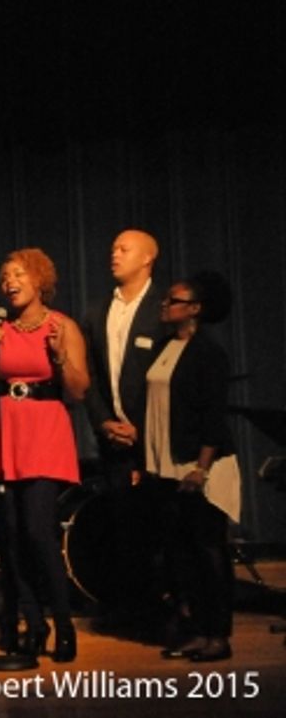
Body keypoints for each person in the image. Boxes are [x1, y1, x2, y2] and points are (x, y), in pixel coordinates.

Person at [0, 249, 89, 663]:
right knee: (10, 537)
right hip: (5, 430)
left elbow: (78, 391)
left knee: (38, 532)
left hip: (43, 431)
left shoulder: (62, 326)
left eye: (18, 274)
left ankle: (64, 625)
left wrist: (59, 355)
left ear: (39, 280)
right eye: (5, 276)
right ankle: (34, 623)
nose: (9, 282)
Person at [149, 272, 240, 663]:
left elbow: (212, 415)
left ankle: (218, 634)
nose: (165, 305)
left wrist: (201, 468)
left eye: (174, 300)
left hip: (200, 466)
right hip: (167, 466)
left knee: (208, 551)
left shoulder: (208, 352)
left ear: (195, 309)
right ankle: (196, 629)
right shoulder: (165, 346)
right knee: (182, 553)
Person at [84, 229, 162, 486]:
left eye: (123, 250)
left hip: (156, 441)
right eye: (113, 250)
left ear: (147, 258)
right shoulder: (97, 311)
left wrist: (143, 428)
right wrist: (104, 422)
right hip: (113, 443)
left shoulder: (163, 308)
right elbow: (90, 372)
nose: (115, 256)